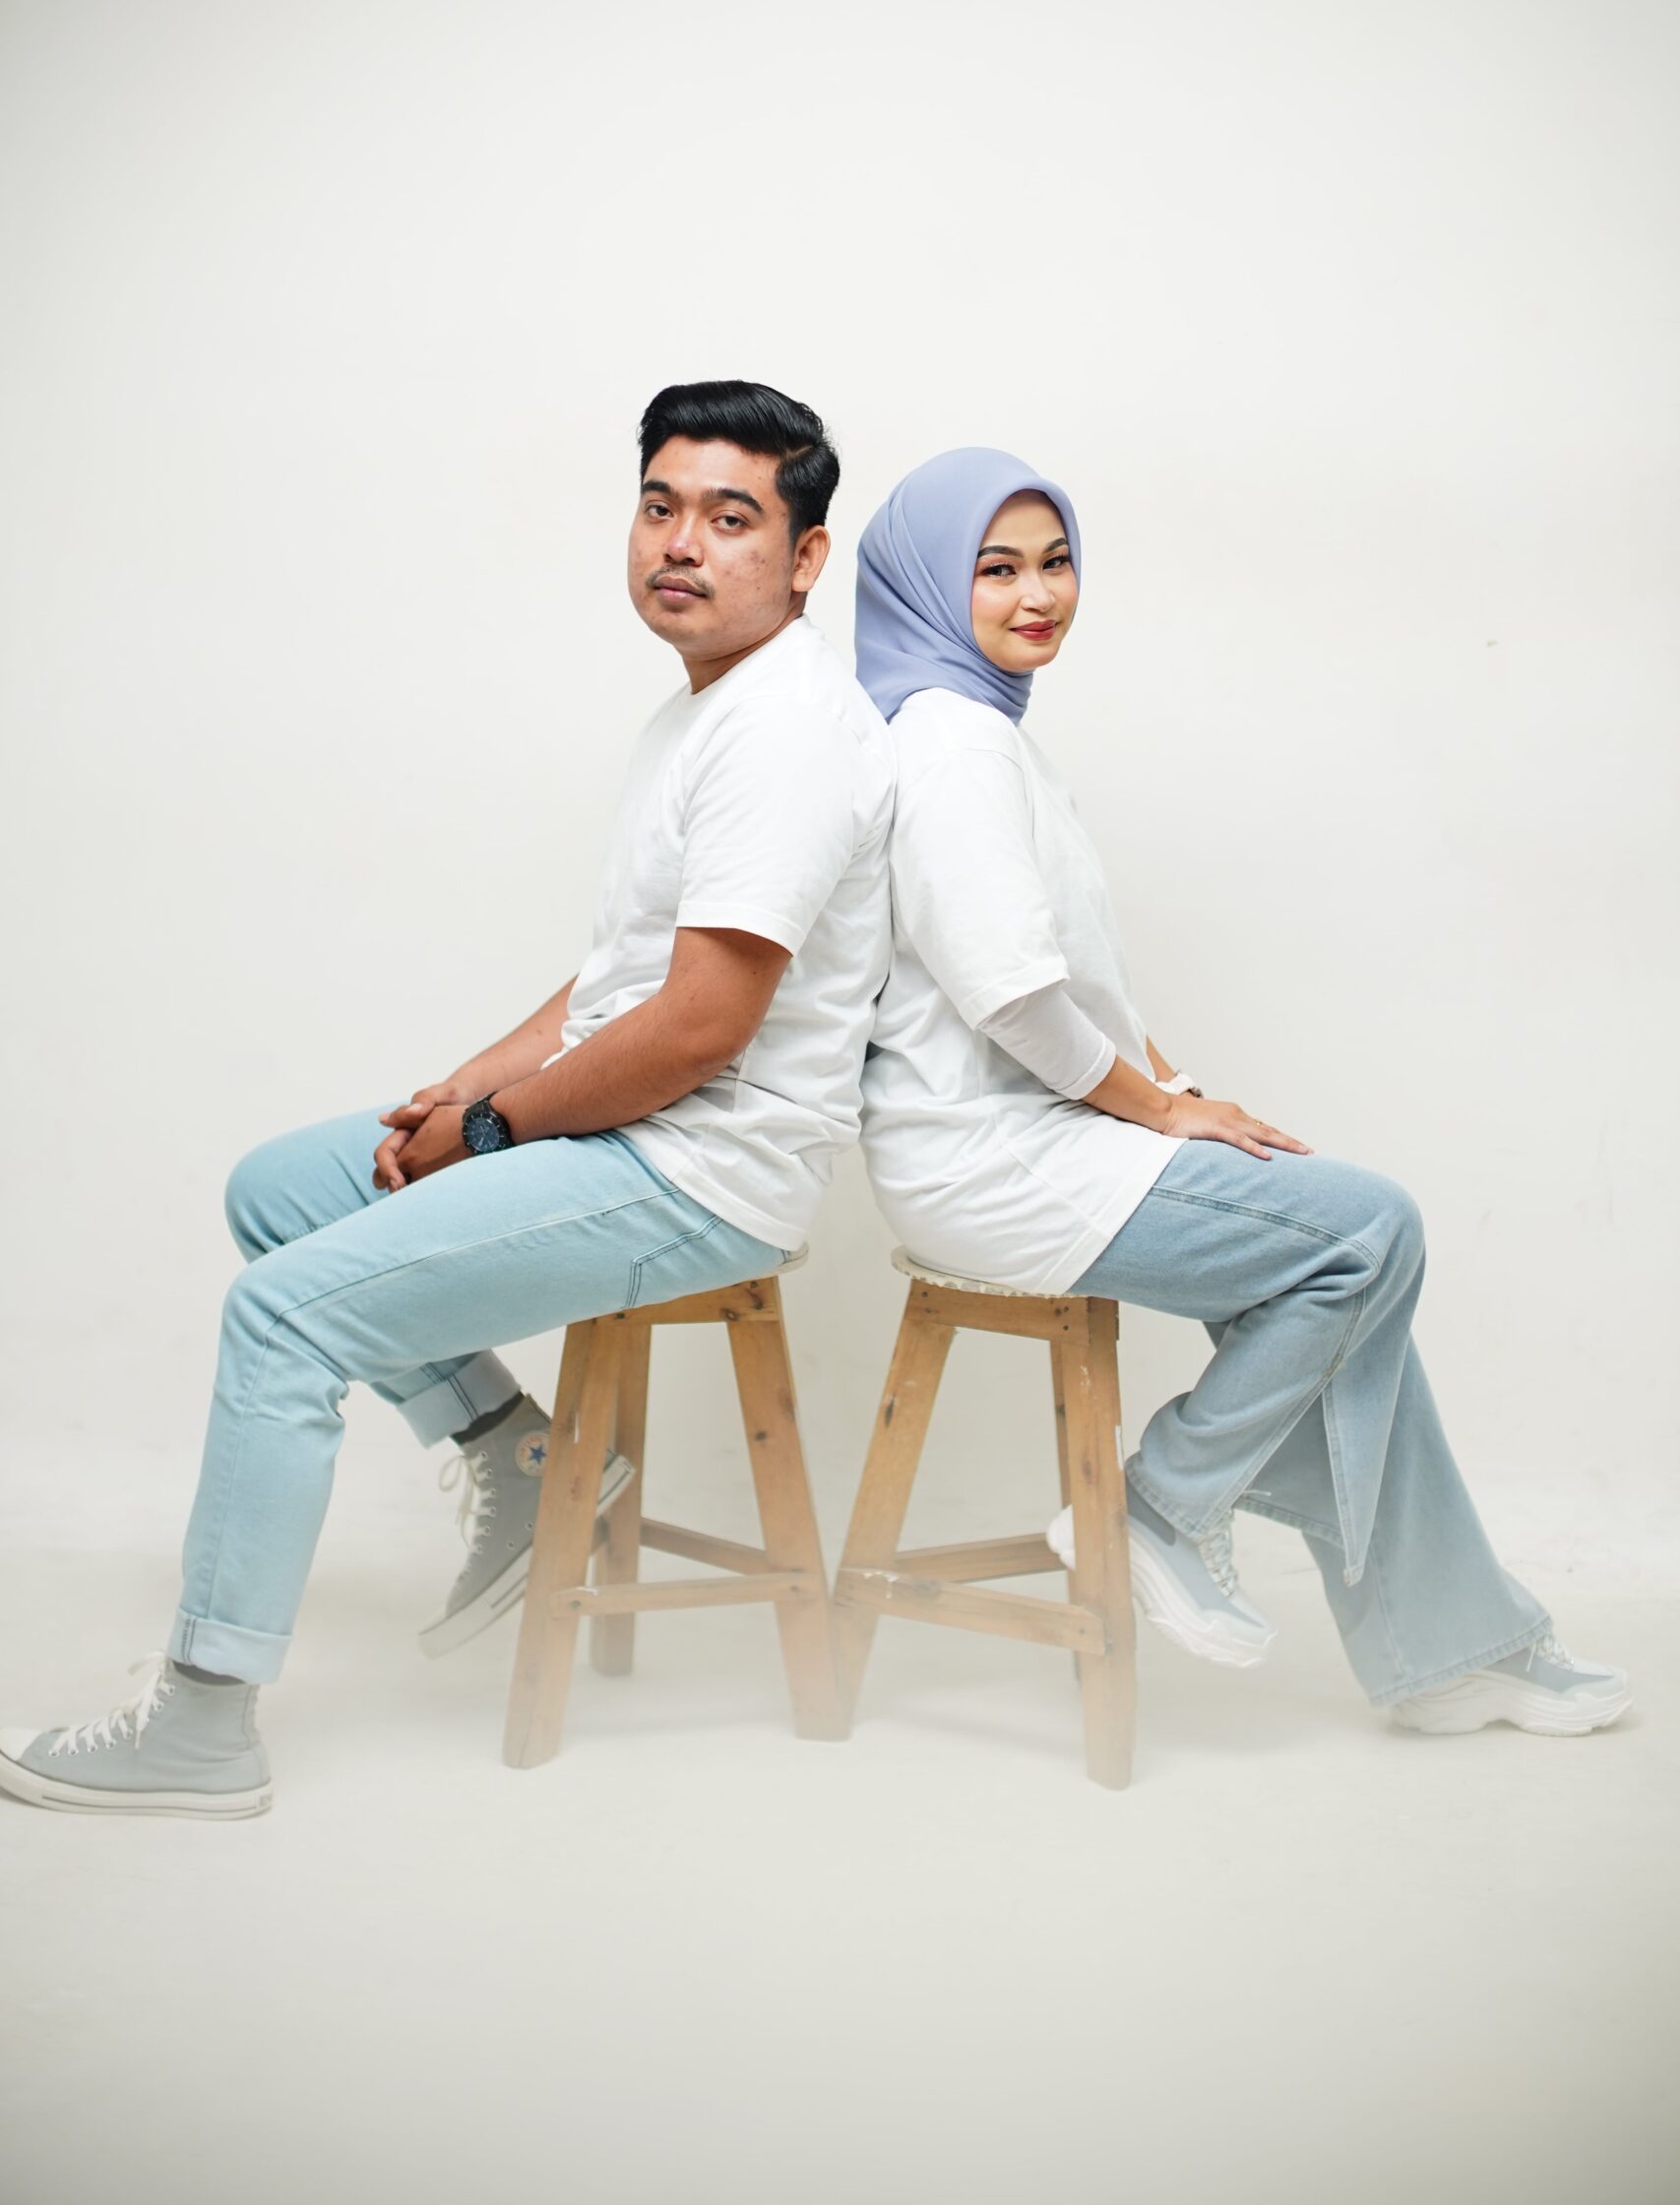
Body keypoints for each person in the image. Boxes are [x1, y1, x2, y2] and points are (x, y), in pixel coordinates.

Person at [0, 380, 895, 1817]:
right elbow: (629, 973)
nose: (681, 542)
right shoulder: (702, 712)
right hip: (635, 1129)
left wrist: (488, 1132)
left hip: (701, 1170)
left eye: (731, 519)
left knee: (283, 1316)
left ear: (804, 559)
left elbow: (697, 1029)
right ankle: (517, 1456)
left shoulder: (785, 731)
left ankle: (205, 1725)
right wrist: (481, 1075)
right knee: (282, 1192)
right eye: (658, 506)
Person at [852, 447, 1629, 1736]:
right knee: (1367, 1230)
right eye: (995, 569)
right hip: (988, 1158)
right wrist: (1163, 1114)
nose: (1038, 594)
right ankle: (1162, 1503)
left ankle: (1451, 1653)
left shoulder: (986, 733)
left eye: (1056, 561)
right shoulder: (953, 744)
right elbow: (1013, 999)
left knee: (1346, 1285)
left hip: (1038, 1135)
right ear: (930, 584)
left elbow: (1076, 985)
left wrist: (1183, 1091)